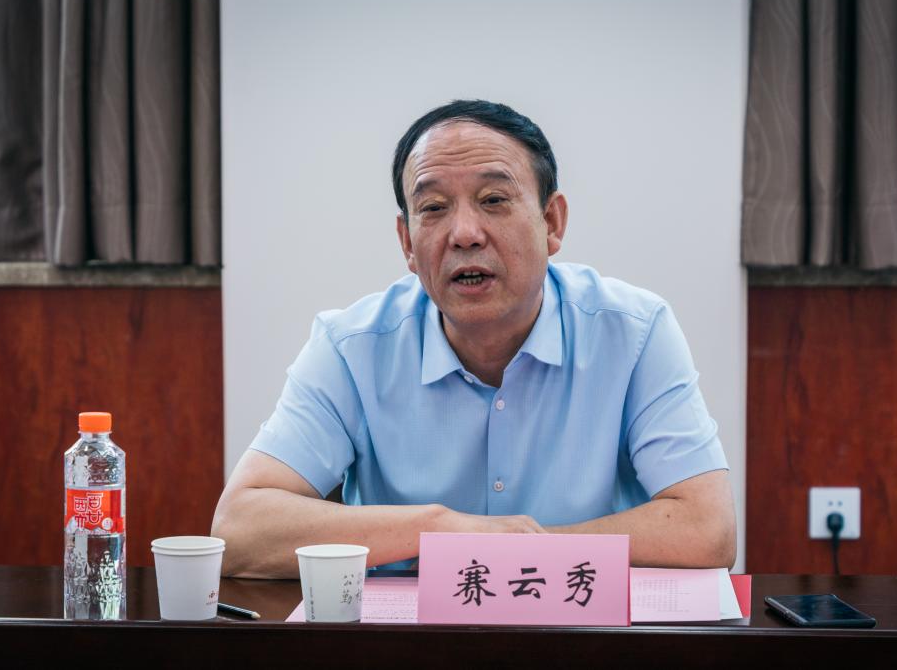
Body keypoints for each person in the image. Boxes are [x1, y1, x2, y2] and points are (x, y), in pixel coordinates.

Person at [211, 100, 736, 578]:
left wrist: (520, 552)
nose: (464, 233)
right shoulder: (352, 347)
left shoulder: (634, 332)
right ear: (407, 242)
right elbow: (239, 529)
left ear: (552, 222)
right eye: (434, 208)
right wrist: (439, 528)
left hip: (580, 632)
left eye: (493, 200)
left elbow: (707, 529)